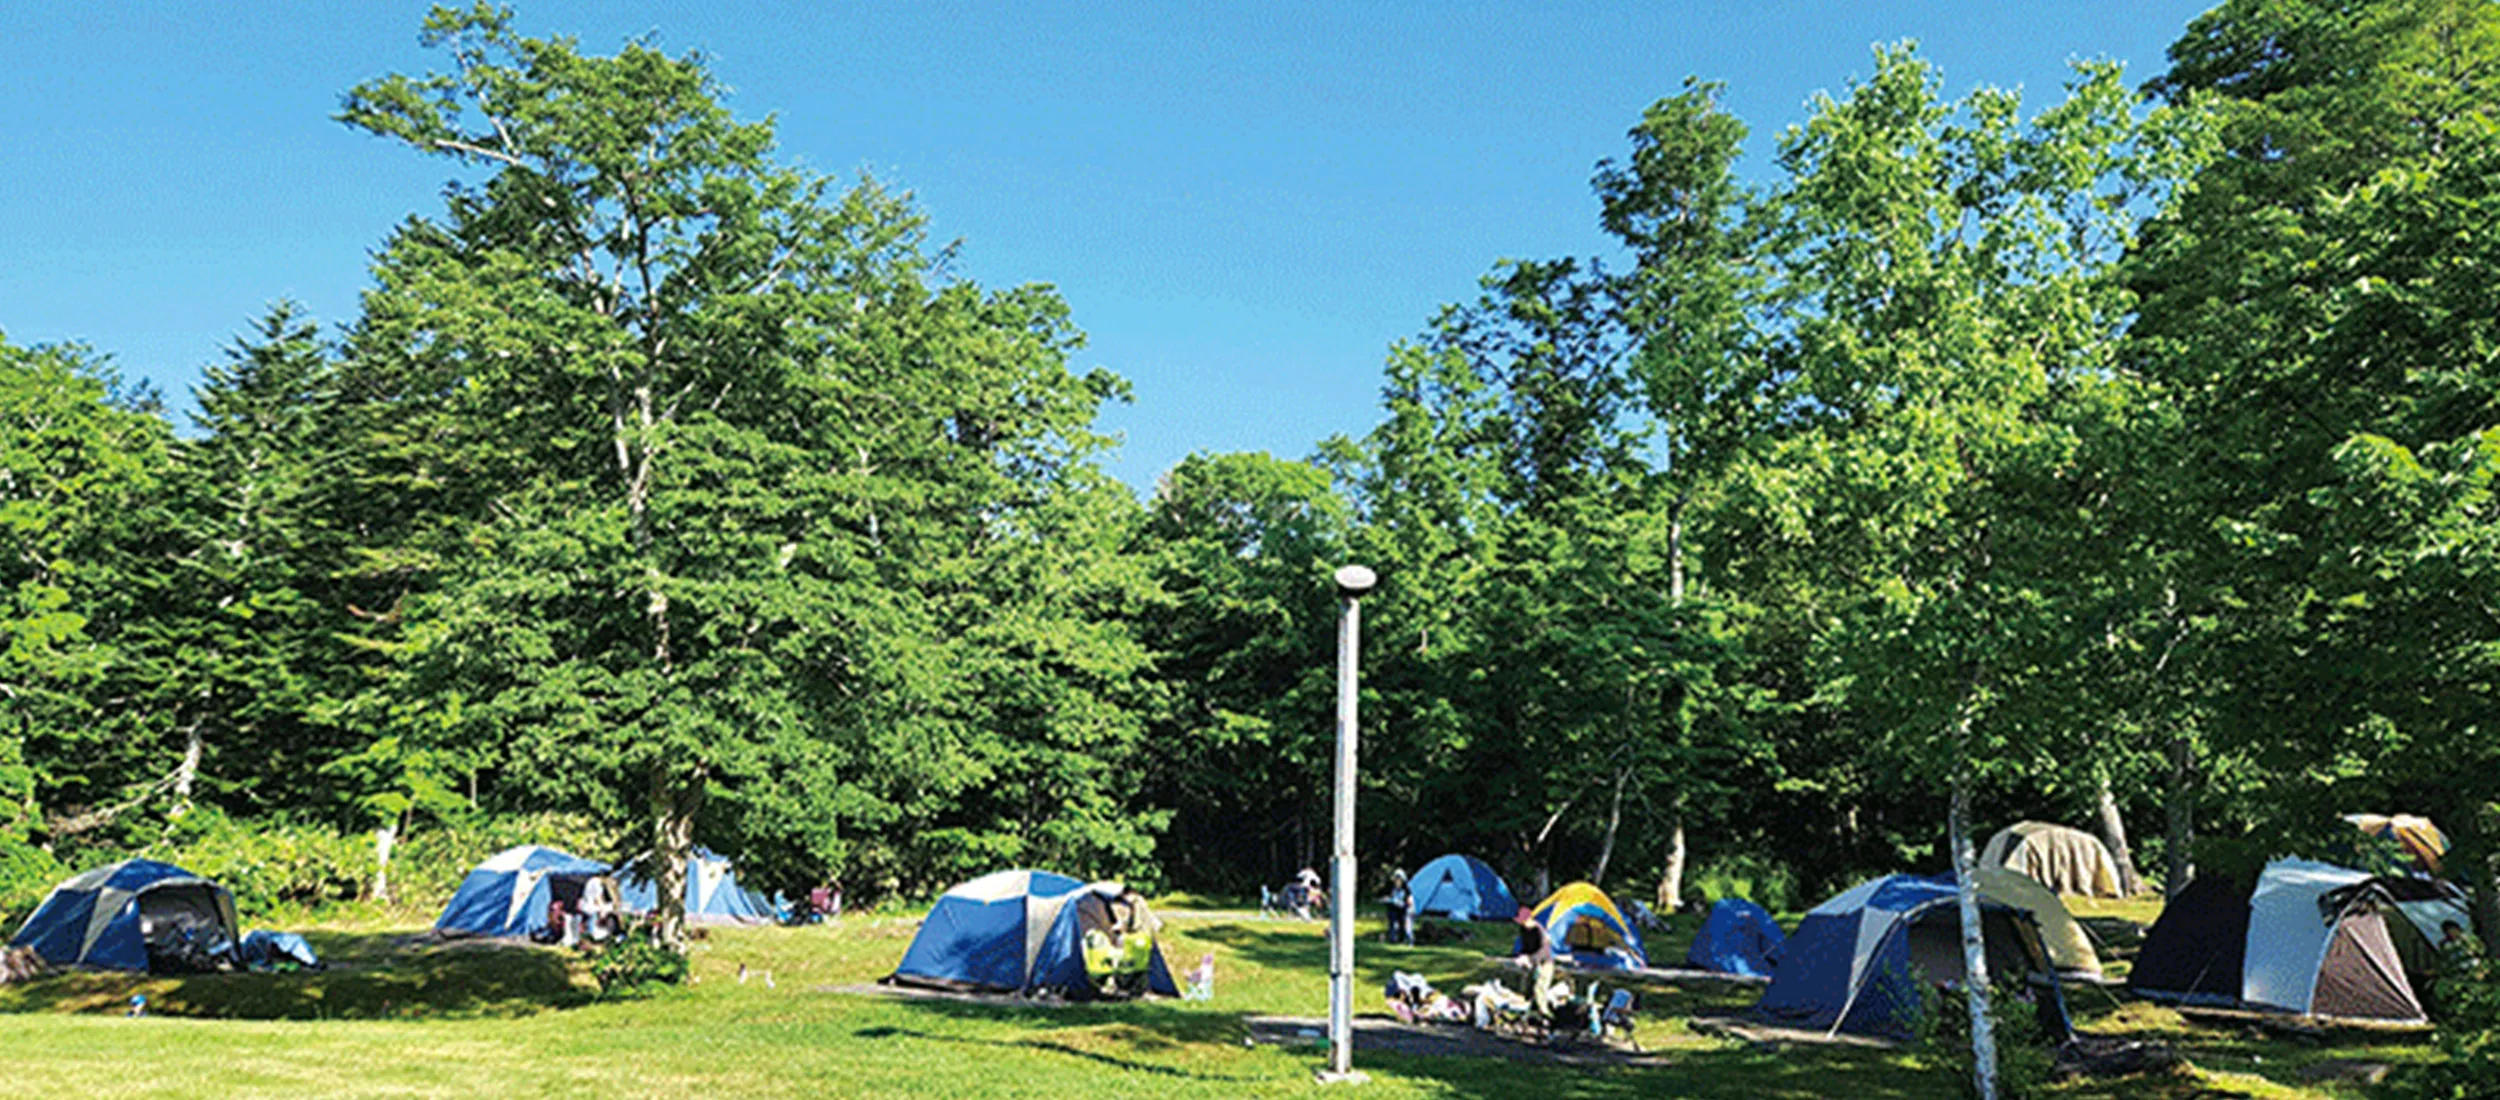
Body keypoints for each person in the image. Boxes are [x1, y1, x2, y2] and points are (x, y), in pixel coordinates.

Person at [1384, 869, 1415, 945]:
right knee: (1392, 920)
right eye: (1396, 880)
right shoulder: (1391, 888)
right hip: (1393, 909)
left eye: (1399, 880)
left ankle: (1403, 939)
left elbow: (1409, 901)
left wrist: (1406, 902)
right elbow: (1387, 897)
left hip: (1403, 909)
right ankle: (1393, 938)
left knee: (1403, 923)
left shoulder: (1406, 890)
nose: (1397, 882)